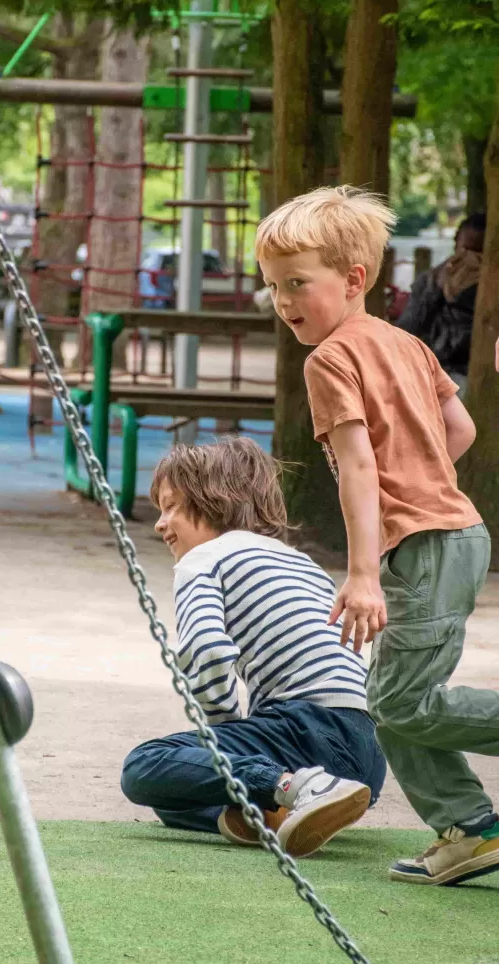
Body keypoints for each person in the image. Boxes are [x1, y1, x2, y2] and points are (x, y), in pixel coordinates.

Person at [255, 185, 499, 886]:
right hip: (458, 535)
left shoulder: (330, 360)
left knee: (398, 702)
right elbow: (462, 432)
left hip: (422, 547)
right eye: (274, 287)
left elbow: (358, 467)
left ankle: (469, 823)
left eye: (298, 283)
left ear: (354, 278)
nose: (284, 301)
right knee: (396, 701)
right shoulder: (407, 344)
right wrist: (420, 482)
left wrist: (362, 572)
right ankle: (470, 827)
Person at [120, 437, 386, 857]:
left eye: (171, 506)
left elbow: (204, 649)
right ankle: (285, 806)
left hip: (306, 730)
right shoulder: (304, 565)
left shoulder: (204, 558)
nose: (160, 523)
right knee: (181, 792)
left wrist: (222, 729)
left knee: (146, 766)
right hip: (369, 754)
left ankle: (295, 786)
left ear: (213, 500)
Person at [396, 212, 486, 395]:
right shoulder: (434, 279)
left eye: (478, 253)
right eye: (464, 250)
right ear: (456, 246)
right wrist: (434, 290)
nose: (469, 259)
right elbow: (409, 328)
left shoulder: (490, 289)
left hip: (481, 377)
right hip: (438, 372)